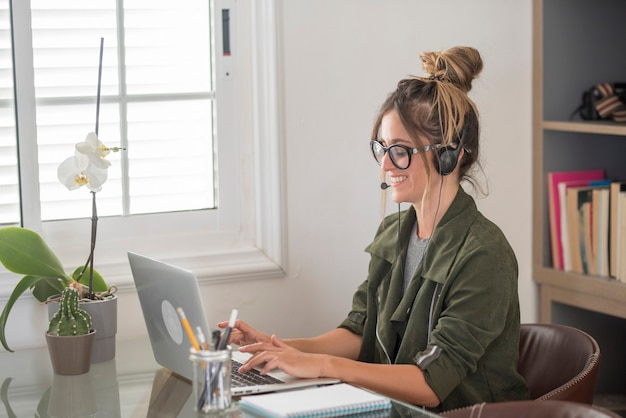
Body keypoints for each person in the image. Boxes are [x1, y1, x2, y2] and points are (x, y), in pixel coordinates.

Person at [218, 46, 529, 412]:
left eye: (400, 150)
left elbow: (431, 382)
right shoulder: (394, 232)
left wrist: (323, 366)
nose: (385, 165)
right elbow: (358, 331)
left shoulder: (484, 254)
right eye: (382, 148)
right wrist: (283, 348)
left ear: (450, 154)